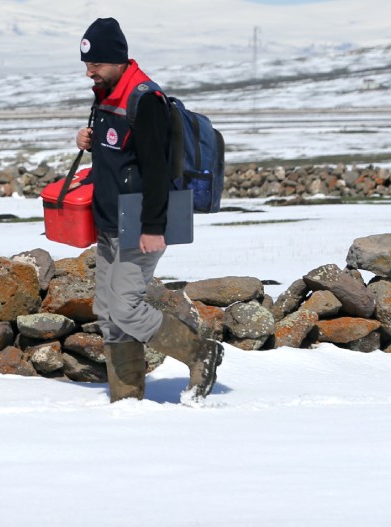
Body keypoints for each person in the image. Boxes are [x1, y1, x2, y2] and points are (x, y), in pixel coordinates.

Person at [73, 18, 223, 403]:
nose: (90, 71)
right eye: (86, 64)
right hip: (108, 221)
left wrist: (154, 226)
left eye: (98, 63)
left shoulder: (145, 99)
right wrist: (89, 142)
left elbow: (156, 169)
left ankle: (200, 352)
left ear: (119, 59)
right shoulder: (105, 95)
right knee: (107, 311)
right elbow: (120, 156)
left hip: (139, 222)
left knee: (125, 306)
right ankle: (126, 400)